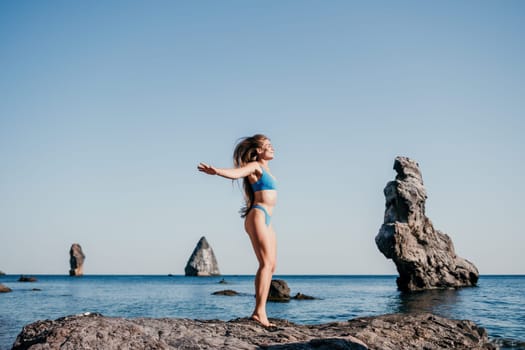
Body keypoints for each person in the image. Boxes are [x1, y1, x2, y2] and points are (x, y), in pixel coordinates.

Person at [197, 134, 277, 327]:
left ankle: (260, 311)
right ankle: (259, 313)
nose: (272, 148)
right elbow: (236, 173)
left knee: (271, 266)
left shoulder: (266, 168)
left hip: (267, 218)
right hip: (258, 214)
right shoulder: (255, 166)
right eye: (268, 146)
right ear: (258, 150)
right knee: (265, 263)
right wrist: (216, 171)